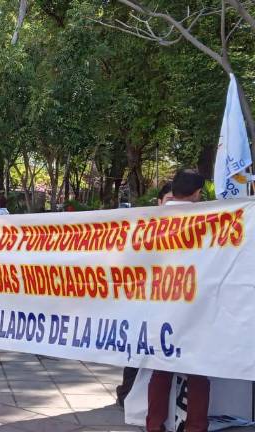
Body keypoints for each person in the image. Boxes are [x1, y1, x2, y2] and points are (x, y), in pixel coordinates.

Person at [146, 171, 208, 432]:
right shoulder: (207, 219)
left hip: (160, 304)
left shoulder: (151, 219)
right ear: (196, 193)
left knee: (161, 369)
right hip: (196, 305)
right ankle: (196, 426)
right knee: (199, 371)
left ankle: (154, 425)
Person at [115, 181, 173, 408]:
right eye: (169, 200)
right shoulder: (145, 228)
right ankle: (127, 394)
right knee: (138, 349)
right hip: (143, 299)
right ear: (159, 202)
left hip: (174, 302)